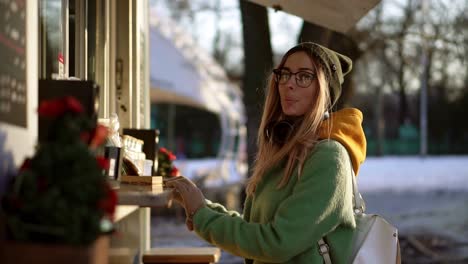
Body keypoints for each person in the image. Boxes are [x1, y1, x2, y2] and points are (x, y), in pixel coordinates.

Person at [166, 42, 367, 264]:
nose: (289, 83)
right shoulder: (284, 152)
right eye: (285, 74)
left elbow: (276, 243)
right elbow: (255, 231)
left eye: (304, 76)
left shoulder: (329, 158)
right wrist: (200, 205)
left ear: (324, 90)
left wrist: (202, 216)